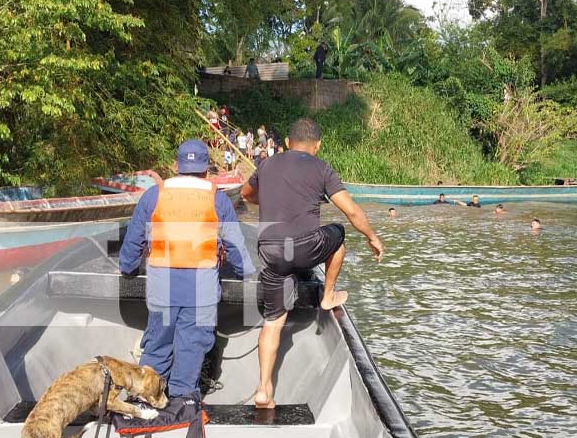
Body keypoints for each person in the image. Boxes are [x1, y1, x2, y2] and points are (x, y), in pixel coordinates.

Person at [240, 118, 383, 409]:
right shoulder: (322, 168)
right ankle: (328, 296)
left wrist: (263, 198)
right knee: (339, 235)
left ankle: (263, 390)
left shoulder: (267, 164)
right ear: (316, 146)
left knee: (272, 322)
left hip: (270, 251)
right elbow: (351, 211)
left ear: (288, 143)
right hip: (304, 249)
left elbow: (245, 194)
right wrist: (372, 237)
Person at [119, 140, 254, 399]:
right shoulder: (218, 199)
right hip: (200, 292)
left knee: (157, 345)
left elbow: (134, 240)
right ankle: (182, 403)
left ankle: (146, 401)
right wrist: (244, 272)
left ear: (175, 165)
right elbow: (235, 247)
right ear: (206, 170)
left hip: (162, 289)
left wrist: (128, 269)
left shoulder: (154, 195)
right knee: (191, 347)